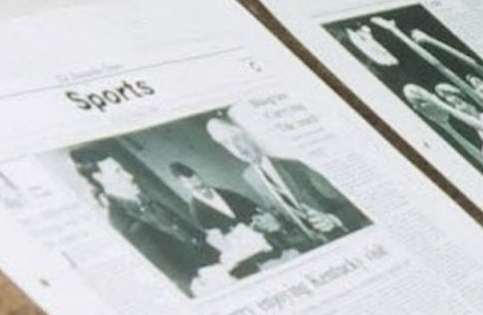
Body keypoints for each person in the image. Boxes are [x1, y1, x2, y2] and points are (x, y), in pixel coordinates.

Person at [72, 149, 214, 295]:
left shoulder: (148, 201)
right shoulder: (121, 221)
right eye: (118, 172)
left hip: (214, 267)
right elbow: (173, 277)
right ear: (99, 177)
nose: (130, 176)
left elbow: (194, 237)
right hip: (203, 286)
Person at [205, 116, 368, 240]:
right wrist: (275, 224)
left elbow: (357, 202)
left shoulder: (293, 163)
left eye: (236, 138)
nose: (236, 148)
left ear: (248, 134)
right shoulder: (250, 177)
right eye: (225, 144)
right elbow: (285, 215)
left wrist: (334, 219)